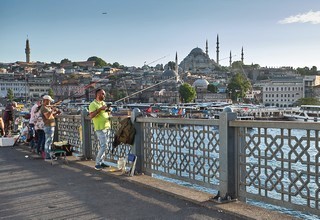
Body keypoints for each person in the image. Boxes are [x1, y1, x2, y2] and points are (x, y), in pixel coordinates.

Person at [89, 89, 112, 170]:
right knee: (103, 145)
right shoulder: (93, 104)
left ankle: (102, 162)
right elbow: (91, 116)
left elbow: (105, 114)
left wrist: (108, 111)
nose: (104, 95)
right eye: (103, 94)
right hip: (100, 128)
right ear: (98, 94)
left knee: (104, 146)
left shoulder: (103, 103)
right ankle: (97, 163)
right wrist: (99, 109)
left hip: (107, 127)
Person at [41, 95, 60, 159]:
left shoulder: (47, 108)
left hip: (50, 126)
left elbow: (51, 116)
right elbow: (47, 117)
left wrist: (56, 112)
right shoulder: (44, 108)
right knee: (48, 142)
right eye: (49, 101)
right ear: (46, 100)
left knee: (49, 142)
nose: (50, 103)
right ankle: (47, 156)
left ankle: (48, 155)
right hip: (48, 126)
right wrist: (52, 109)